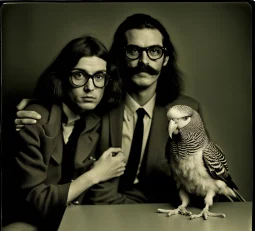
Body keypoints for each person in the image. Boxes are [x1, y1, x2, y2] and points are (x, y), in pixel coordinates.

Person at [14, 14, 203, 205]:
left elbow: (201, 173)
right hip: (102, 208)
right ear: (120, 58)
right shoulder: (97, 104)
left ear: (165, 59)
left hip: (162, 209)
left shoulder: (186, 111)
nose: (144, 61)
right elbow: (68, 99)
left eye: (154, 51)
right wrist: (42, 103)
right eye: (133, 50)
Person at [3, 36, 126, 231]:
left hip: (74, 224)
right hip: (25, 221)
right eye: (79, 75)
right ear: (62, 77)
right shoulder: (33, 120)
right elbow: (37, 202)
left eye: (99, 77)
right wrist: (95, 175)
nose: (90, 87)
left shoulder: (95, 120)